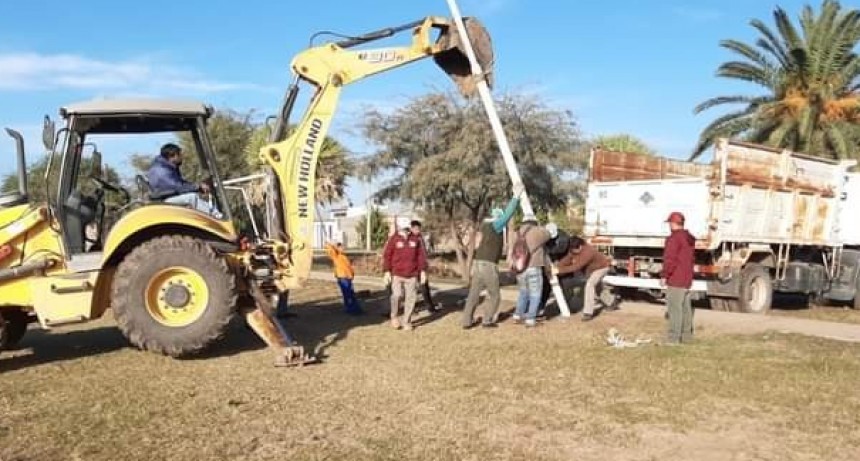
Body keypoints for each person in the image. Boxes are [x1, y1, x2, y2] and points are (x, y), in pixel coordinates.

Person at [461, 187, 523, 328]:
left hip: (478, 262)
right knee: (495, 295)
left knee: (474, 294)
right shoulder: (496, 225)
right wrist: (516, 196)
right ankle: (487, 320)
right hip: (488, 264)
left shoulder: (485, 226)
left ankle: (466, 321)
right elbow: (508, 214)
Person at [147, 143, 223, 219]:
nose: (181, 157)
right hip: (164, 200)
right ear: (172, 156)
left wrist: (198, 187)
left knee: (199, 196)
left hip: (169, 196)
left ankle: (211, 215)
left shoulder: (167, 166)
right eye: (180, 155)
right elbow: (177, 187)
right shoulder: (161, 171)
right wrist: (197, 187)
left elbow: (180, 183)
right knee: (191, 197)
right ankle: (217, 217)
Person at [382, 217, 428, 331]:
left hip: (412, 274)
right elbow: (387, 255)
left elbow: (420, 257)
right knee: (397, 296)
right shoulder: (394, 239)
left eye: (407, 229)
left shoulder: (415, 239)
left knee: (411, 299)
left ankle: (407, 321)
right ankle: (394, 316)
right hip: (397, 274)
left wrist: (422, 271)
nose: (406, 231)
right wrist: (387, 271)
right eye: (403, 229)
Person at [553, 236, 611, 321]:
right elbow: (567, 259)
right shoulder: (573, 249)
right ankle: (611, 302)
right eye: (571, 249)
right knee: (597, 288)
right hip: (590, 270)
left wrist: (559, 270)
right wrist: (557, 266)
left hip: (601, 268)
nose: (572, 252)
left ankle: (588, 313)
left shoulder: (588, 252)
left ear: (580, 246)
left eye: (574, 250)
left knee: (590, 285)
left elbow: (576, 267)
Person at [509, 214, 552, 327]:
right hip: (534, 266)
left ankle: (517, 315)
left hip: (520, 268)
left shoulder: (516, 233)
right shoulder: (538, 232)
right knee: (535, 294)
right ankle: (530, 318)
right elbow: (549, 234)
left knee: (523, 292)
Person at [661, 211, 696, 344]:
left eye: (669, 223)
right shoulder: (689, 238)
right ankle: (687, 336)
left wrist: (665, 275)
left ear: (672, 223)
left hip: (676, 278)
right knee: (686, 309)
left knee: (674, 309)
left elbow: (670, 259)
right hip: (687, 278)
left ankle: (673, 338)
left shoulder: (673, 239)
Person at [324, 238, 363, 315]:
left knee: (351, 293)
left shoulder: (344, 256)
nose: (343, 248)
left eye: (343, 247)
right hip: (342, 277)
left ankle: (355, 308)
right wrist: (329, 244)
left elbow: (348, 267)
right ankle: (350, 309)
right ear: (337, 248)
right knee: (347, 294)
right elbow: (330, 251)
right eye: (341, 247)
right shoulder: (336, 256)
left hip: (348, 277)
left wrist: (352, 274)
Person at [409, 220, 441, 314]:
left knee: (425, 288)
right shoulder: (410, 238)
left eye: (418, 229)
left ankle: (430, 307)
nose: (417, 230)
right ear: (411, 228)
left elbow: (423, 253)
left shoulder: (420, 238)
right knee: (412, 289)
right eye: (415, 229)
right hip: (413, 268)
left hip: (421, 267)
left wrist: (424, 266)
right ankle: (412, 309)